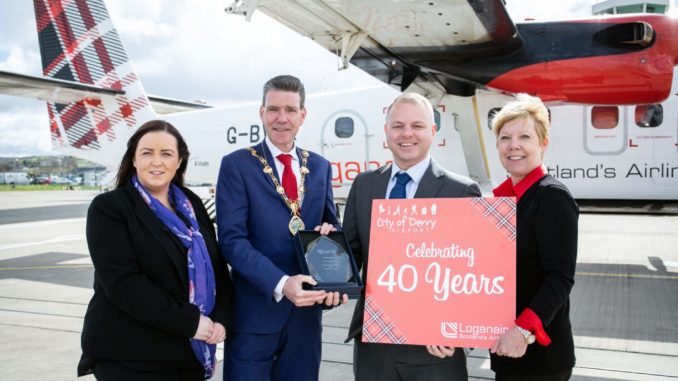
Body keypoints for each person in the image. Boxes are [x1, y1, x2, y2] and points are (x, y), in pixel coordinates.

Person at [77, 120, 233, 380]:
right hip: (130, 355)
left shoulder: (192, 204)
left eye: (167, 153)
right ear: (134, 160)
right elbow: (124, 284)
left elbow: (217, 268)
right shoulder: (110, 208)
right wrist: (191, 323)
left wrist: (221, 320)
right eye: (147, 153)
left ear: (180, 161)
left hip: (188, 354)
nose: (156, 162)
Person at [216, 75, 347, 381]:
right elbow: (232, 241)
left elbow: (332, 227)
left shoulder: (320, 166)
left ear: (303, 115)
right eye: (273, 109)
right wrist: (281, 282)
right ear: (261, 113)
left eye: (290, 110)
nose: (281, 118)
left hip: (306, 321)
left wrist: (336, 280)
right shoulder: (237, 165)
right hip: (255, 316)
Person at [343, 92, 481, 380]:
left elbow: (473, 272)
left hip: (434, 346)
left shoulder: (461, 191)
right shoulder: (365, 185)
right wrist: (325, 250)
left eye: (417, 126)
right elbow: (352, 255)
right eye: (398, 126)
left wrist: (458, 332)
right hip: (375, 343)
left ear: (432, 131)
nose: (407, 134)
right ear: (386, 132)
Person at [489, 94, 578, 380]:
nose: (513, 145)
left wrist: (523, 330)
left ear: (543, 144)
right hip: (507, 349)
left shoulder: (551, 196)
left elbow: (560, 278)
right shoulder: (504, 202)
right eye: (505, 138)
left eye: (524, 136)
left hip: (539, 355)